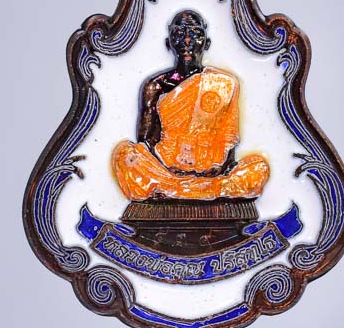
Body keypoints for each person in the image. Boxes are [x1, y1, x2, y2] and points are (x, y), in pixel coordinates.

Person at [111, 10, 269, 201]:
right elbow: (145, 142)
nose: (187, 41)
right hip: (167, 169)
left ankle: (177, 190)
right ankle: (205, 190)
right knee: (125, 155)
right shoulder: (155, 86)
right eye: (179, 34)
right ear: (169, 43)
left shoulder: (224, 84)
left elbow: (229, 139)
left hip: (210, 171)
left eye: (195, 34)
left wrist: (217, 167)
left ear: (206, 43)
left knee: (259, 166)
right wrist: (167, 166)